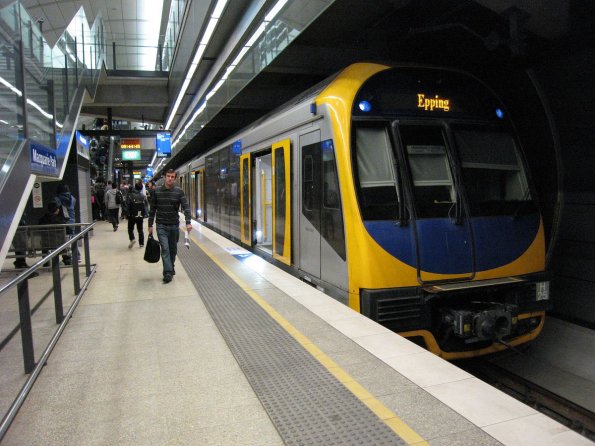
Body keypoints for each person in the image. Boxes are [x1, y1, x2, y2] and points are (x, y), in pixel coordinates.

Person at [148, 169, 192, 283]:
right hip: (161, 225)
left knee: (173, 249)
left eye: (172, 177)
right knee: (165, 249)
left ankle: (171, 266)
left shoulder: (179, 192)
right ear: (164, 177)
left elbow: (186, 207)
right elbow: (152, 209)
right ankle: (167, 272)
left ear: (175, 178)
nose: (170, 179)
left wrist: (188, 222)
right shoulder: (156, 191)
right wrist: (150, 224)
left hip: (174, 226)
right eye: (168, 176)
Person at [54, 183, 77, 265]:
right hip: (72, 221)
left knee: (62, 240)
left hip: (62, 222)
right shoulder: (72, 198)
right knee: (72, 239)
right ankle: (76, 255)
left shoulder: (57, 199)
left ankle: (66, 258)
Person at [126, 181, 148, 248]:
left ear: (135, 188)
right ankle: (141, 243)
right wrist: (145, 214)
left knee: (130, 228)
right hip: (140, 215)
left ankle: (132, 239)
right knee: (140, 229)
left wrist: (127, 214)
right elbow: (146, 206)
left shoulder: (130, 195)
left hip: (132, 215)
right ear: (141, 189)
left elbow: (128, 205)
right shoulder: (143, 196)